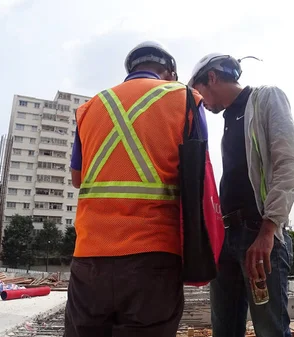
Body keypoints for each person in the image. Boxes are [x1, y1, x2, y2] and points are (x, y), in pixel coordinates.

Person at [65, 41, 208, 337]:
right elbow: (199, 178)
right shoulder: (185, 98)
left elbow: (77, 178)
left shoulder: (91, 107)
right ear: (169, 72)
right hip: (153, 256)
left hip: (90, 258)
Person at [188, 53, 294, 337]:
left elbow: (290, 165)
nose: (200, 100)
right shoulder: (229, 118)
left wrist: (268, 230)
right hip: (226, 238)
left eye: (199, 90)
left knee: (271, 330)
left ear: (213, 78)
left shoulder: (266, 99)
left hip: (257, 234)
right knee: (224, 330)